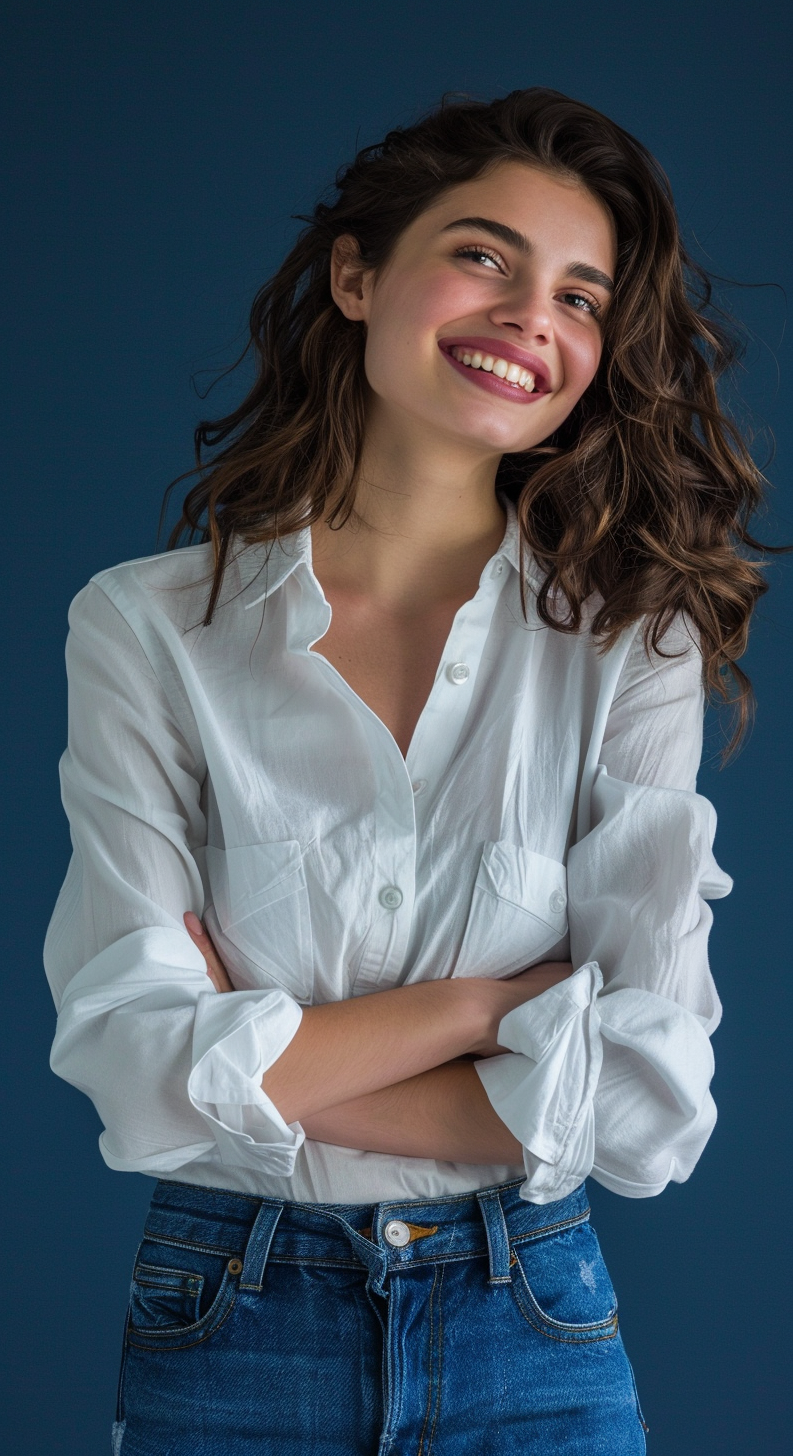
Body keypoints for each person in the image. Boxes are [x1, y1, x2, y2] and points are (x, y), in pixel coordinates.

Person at [43, 87, 767, 1454]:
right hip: (229, 1311)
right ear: (358, 273)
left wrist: (261, 1063)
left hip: (530, 1316)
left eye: (580, 294)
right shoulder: (147, 629)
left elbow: (647, 1107)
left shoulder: (629, 648)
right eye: (485, 254)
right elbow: (129, 1058)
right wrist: (488, 1007)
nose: (529, 318)